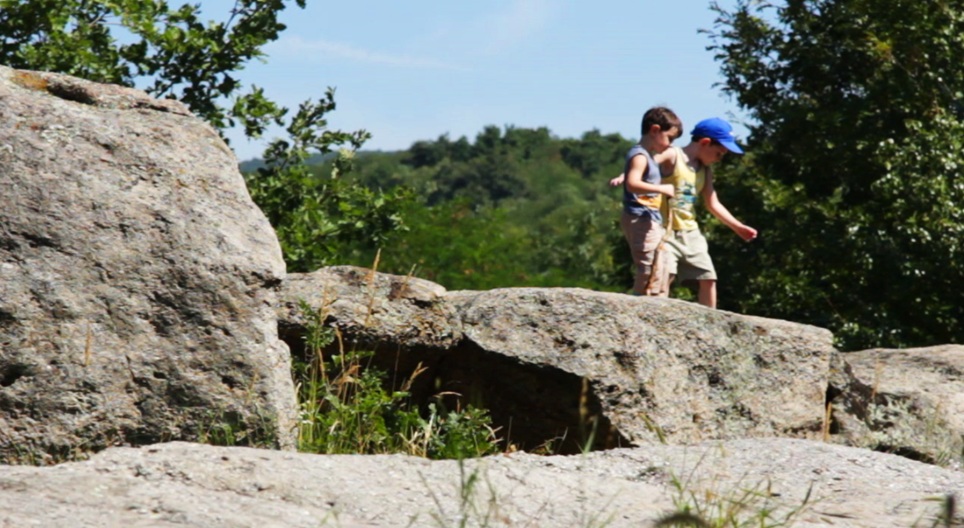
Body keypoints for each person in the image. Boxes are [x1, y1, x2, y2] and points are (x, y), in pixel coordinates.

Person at [658, 117, 757, 308]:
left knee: (708, 278)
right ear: (705, 142)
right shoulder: (673, 155)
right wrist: (628, 175)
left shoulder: (705, 170)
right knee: (664, 275)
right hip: (664, 229)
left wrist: (738, 227)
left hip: (690, 231)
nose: (719, 159)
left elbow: (713, 203)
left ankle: (710, 320)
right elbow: (646, 163)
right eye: (719, 153)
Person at [618, 106, 681, 296]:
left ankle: (657, 300)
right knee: (648, 267)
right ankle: (642, 305)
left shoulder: (650, 157)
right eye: (669, 138)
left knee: (662, 264)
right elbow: (632, 183)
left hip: (651, 218)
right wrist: (662, 189)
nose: (670, 145)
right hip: (640, 218)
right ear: (655, 130)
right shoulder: (640, 156)